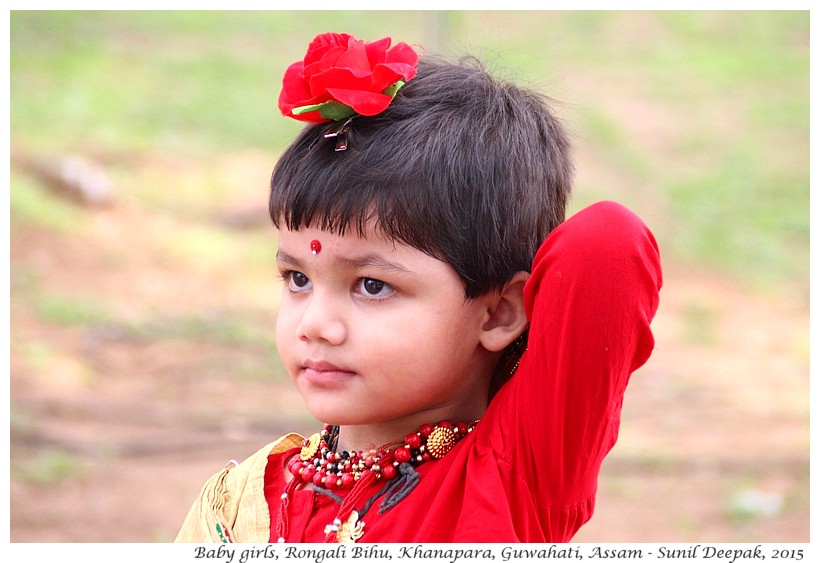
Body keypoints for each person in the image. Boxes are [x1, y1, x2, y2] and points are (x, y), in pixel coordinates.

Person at [175, 32, 662, 544]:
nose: (315, 324)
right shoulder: (244, 498)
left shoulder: (515, 473)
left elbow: (609, 240)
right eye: (299, 279)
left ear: (497, 313)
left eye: (371, 286)